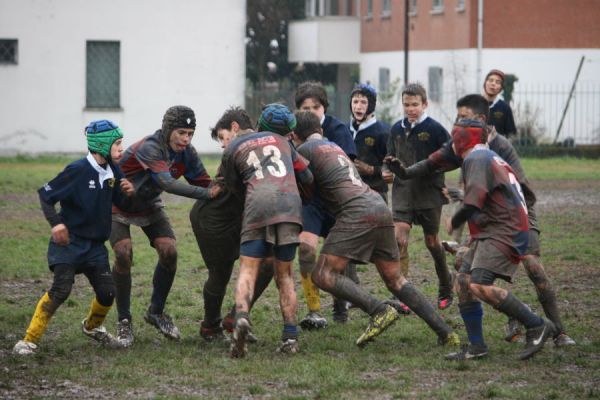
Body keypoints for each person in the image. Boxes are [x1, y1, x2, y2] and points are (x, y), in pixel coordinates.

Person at [387, 94, 576, 347]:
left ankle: (557, 331)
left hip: (517, 213)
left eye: (464, 117)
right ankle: (494, 333)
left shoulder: (497, 148)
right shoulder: (463, 142)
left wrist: (460, 213)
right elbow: (432, 163)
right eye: (458, 118)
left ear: (480, 121)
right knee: (465, 271)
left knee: (533, 267)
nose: (458, 123)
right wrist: (406, 172)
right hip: (485, 218)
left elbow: (517, 190)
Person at [290, 111, 460, 348]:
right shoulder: (334, 147)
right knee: (395, 279)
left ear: (295, 135)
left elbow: (302, 186)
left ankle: (379, 310)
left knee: (322, 274)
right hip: (378, 206)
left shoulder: (304, 150)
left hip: (356, 212)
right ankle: (446, 333)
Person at [13, 120, 133, 355]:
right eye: (117, 143)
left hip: (96, 246)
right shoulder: (77, 170)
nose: (121, 148)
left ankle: (92, 327)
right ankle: (28, 339)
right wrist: (56, 223)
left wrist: (128, 192)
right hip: (69, 242)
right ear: (102, 144)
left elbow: (121, 202)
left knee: (108, 293)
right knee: (61, 289)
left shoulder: (113, 170)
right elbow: (45, 196)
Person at [441, 119, 555, 360]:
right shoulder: (488, 156)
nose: (452, 142)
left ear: (464, 139)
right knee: (462, 280)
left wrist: (455, 220)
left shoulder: (476, 158)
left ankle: (536, 324)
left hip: (503, 230)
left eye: (455, 136)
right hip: (495, 228)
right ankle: (476, 346)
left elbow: (473, 200)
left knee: (479, 285)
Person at [110, 105, 219, 347]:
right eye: (181, 132)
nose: (186, 139)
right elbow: (168, 184)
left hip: (149, 204)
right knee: (123, 253)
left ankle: (156, 312)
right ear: (168, 129)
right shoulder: (150, 147)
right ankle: (124, 320)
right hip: (118, 206)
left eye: (190, 133)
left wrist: (227, 189)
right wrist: (208, 194)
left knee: (169, 252)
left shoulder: (187, 153)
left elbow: (205, 183)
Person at [220, 104, 313, 357]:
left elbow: (230, 185)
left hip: (257, 204)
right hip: (289, 205)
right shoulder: (286, 144)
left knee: (249, 268)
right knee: (284, 275)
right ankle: (290, 338)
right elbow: (308, 177)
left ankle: (240, 317)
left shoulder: (234, 146)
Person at [189, 106, 274, 343]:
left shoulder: (251, 144)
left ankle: (234, 316)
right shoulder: (241, 149)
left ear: (234, 127)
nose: (224, 145)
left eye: (223, 137)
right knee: (221, 272)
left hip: (235, 218)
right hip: (212, 220)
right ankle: (211, 325)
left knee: (268, 261)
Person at [382, 82, 454, 312]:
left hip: (428, 194)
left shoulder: (435, 129)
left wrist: (439, 177)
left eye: (415, 104)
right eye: (406, 104)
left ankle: (445, 285)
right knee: (399, 240)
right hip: (403, 193)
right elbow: (389, 156)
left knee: (432, 242)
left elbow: (451, 157)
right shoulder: (395, 129)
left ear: (425, 104)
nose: (410, 108)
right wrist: (386, 170)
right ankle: (403, 296)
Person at [294, 81, 358, 327]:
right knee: (306, 249)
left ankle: (340, 305)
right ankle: (314, 310)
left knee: (336, 258)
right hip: (311, 203)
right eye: (305, 107)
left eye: (316, 106)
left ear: (325, 107)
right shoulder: (294, 133)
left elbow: (348, 163)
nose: (311, 111)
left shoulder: (337, 129)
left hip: (336, 201)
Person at [482, 69, 517, 138]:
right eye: (490, 80)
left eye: (497, 82)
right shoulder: (473, 104)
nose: (493, 84)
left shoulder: (505, 108)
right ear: (485, 83)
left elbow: (511, 134)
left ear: (501, 87)